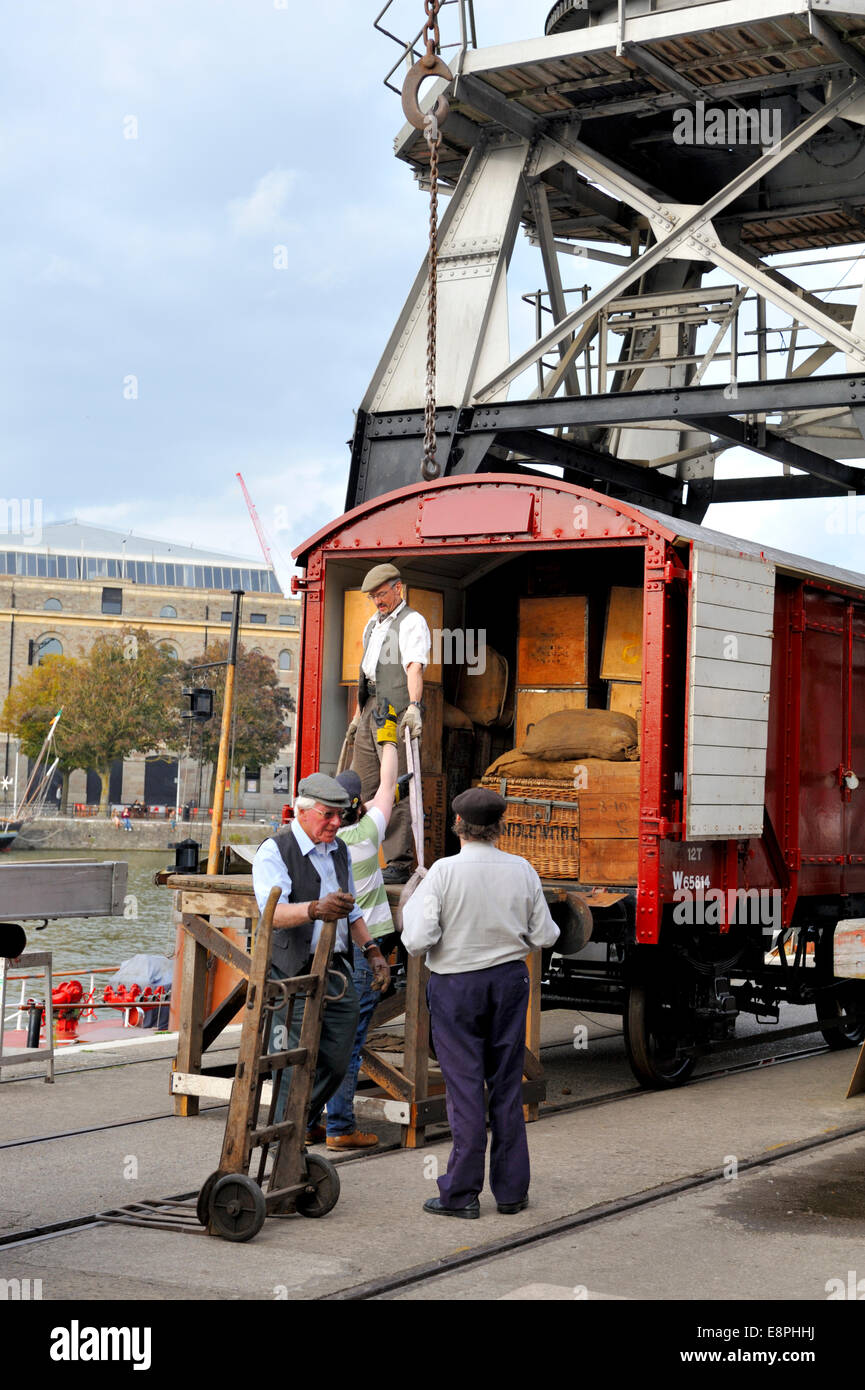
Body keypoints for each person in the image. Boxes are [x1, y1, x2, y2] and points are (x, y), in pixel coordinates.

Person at [401, 787, 560, 1219]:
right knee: (507, 1084)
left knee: (465, 1087)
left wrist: (413, 903)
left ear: (458, 827)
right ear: (499, 828)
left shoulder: (442, 873)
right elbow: (546, 936)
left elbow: (417, 941)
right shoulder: (523, 869)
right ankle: (511, 1193)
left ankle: (461, 1194)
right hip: (509, 983)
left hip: (456, 987)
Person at [251, 771, 390, 1142]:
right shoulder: (275, 850)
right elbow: (272, 914)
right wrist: (314, 909)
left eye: (339, 816)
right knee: (291, 1060)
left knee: (339, 1055)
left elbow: (351, 908)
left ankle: (297, 1122)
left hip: (335, 969)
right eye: (328, 815)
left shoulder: (339, 849)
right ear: (303, 812)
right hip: (292, 971)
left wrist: (372, 949)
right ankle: (286, 1138)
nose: (335, 823)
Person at [325, 705, 402, 1150]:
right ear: (360, 808)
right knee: (351, 1037)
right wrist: (388, 738)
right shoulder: (370, 834)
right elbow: (388, 783)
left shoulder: (327, 840)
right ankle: (341, 1127)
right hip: (365, 942)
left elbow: (374, 799)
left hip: (331, 944)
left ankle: (315, 1118)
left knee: (328, 1030)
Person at [346, 562, 430, 884]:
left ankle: (398, 861)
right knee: (359, 783)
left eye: (382, 594)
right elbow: (367, 672)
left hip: (395, 711)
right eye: (373, 597)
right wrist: (357, 716)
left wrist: (413, 707)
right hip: (370, 709)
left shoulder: (412, 622)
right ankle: (355, 854)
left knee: (395, 785)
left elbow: (413, 668)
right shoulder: (372, 624)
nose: (378, 601)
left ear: (398, 588)